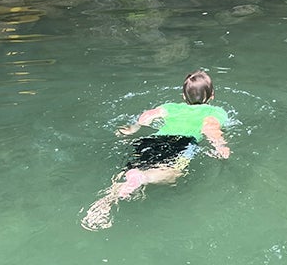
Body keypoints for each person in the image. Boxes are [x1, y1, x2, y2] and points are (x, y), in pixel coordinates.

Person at [82, 70, 230, 230]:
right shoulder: (215, 112)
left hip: (152, 140)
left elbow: (147, 116)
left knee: (134, 167)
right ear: (212, 95)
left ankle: (108, 198)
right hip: (181, 143)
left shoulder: (171, 107)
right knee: (173, 174)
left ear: (183, 95)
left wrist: (133, 128)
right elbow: (210, 127)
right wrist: (220, 146)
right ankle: (142, 178)